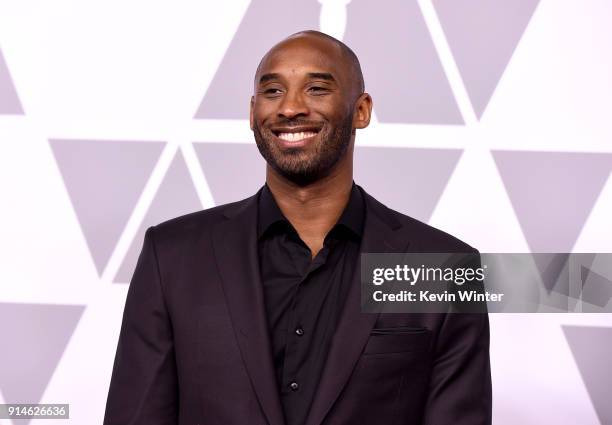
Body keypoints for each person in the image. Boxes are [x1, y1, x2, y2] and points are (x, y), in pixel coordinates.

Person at [103, 30, 491, 425]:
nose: (290, 108)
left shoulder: (441, 268)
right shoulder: (172, 257)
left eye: (317, 89)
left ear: (361, 110)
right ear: (252, 112)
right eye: (272, 92)